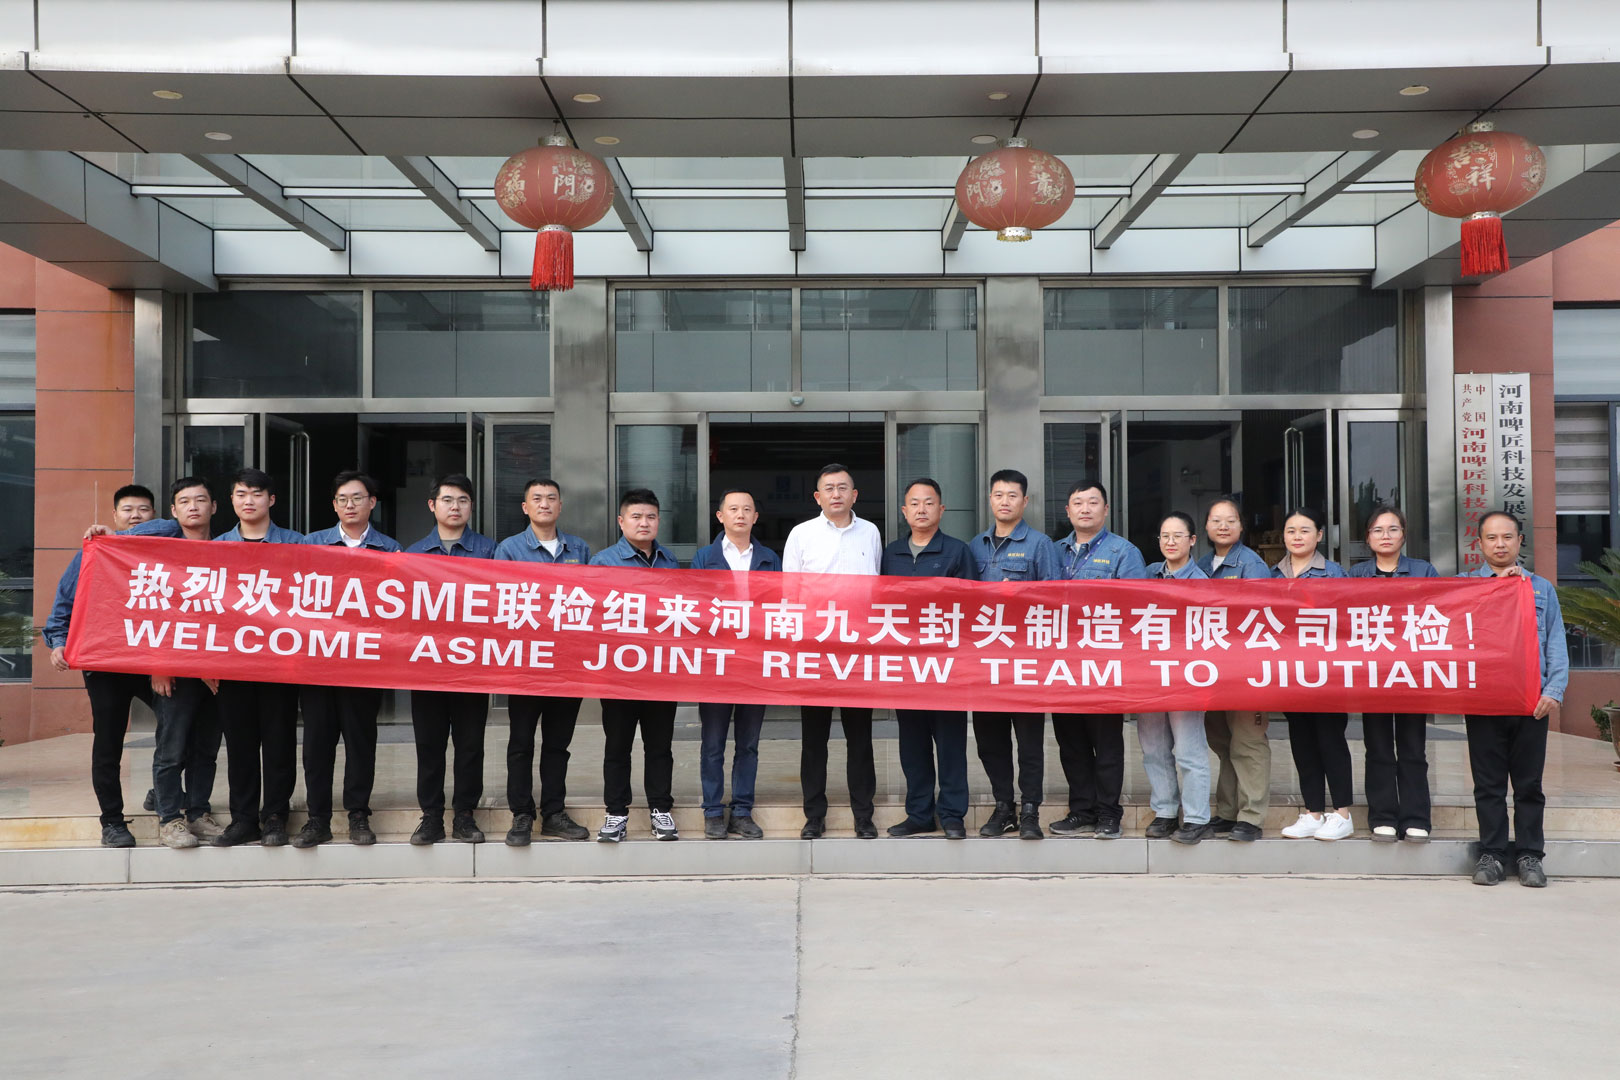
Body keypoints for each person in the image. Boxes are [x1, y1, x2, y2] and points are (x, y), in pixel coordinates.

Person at [113, 478, 227, 849]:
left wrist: (218, 664)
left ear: (213, 507)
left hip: (217, 671)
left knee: (206, 748)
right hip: (174, 670)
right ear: (173, 511)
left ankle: (198, 812)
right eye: (184, 501)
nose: (194, 507)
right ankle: (170, 819)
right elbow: (151, 612)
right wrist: (158, 663)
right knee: (171, 748)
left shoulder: (228, 552)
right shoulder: (162, 552)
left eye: (201, 500)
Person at [44, 484, 158, 847]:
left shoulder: (164, 547)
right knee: (108, 744)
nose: (135, 516)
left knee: (184, 724)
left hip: (151, 663)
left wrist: (122, 537)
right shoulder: (92, 551)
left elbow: (173, 526)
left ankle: (163, 789)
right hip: (105, 664)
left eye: (143, 510)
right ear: (114, 514)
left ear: (155, 515)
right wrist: (58, 642)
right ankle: (112, 822)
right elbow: (64, 602)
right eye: (127, 510)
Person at [295, 470, 402, 848]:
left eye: (357, 498)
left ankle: (358, 814)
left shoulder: (390, 549)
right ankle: (317, 819)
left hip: (364, 664)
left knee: (360, 742)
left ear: (372, 503)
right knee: (316, 745)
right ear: (334, 505)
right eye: (342, 499)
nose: (350, 505)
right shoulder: (311, 544)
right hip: (319, 662)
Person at [1464, 509, 1568, 889]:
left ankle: (1529, 856)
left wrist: (1553, 691)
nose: (1500, 544)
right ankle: (1492, 855)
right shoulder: (1463, 587)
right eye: (1491, 538)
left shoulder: (1541, 589)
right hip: (1484, 701)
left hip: (1530, 703)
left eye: (1507, 537)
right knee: (1488, 785)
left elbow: (1556, 642)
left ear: (1519, 541)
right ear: (1479, 544)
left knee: (1528, 785)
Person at [782, 463, 883, 840]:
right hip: (815, 651)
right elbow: (789, 595)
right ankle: (814, 815)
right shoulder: (801, 534)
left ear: (854, 495)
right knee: (814, 740)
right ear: (817, 497)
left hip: (858, 652)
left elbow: (876, 589)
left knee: (861, 738)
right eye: (829, 488)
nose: (836, 494)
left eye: (843, 487)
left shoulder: (870, 532)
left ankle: (863, 815)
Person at [494, 478, 593, 845]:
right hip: (524, 663)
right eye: (536, 498)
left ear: (560, 506)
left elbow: (591, 601)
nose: (545, 504)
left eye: (551, 498)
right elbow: (499, 602)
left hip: (567, 663)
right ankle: (521, 814)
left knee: (557, 744)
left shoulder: (579, 548)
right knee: (521, 742)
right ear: (525, 507)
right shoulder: (509, 549)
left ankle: (553, 812)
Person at [881, 478, 978, 839]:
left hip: (947, 666)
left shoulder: (957, 551)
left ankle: (952, 815)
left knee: (950, 744)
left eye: (929, 502)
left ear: (941, 509)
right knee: (913, 745)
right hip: (906, 667)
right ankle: (919, 814)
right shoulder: (890, 554)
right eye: (914, 503)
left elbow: (972, 609)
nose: (921, 509)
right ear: (904, 511)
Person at [969, 468, 1061, 841]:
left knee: (1029, 743)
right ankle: (1003, 806)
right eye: (998, 495)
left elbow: (1056, 600)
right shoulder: (974, 546)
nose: (1004, 501)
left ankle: (1030, 809)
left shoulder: (1040, 545)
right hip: (985, 662)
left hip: (1026, 661)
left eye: (1012, 495)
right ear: (989, 500)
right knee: (990, 741)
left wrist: (1021, 596)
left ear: (1025, 501)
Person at [405, 472, 497, 845]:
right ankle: (431, 817)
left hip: (472, 666)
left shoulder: (490, 552)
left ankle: (464, 815)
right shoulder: (412, 555)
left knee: (470, 745)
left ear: (471, 506)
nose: (454, 507)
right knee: (429, 745)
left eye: (462, 500)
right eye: (447, 500)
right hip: (427, 666)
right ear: (432, 505)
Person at [1051, 480, 1145, 840]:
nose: (1085, 509)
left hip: (1105, 664)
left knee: (1106, 744)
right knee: (1071, 743)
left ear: (1105, 510)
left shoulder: (1124, 552)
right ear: (1068, 511)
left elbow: (1137, 609)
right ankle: (1081, 810)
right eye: (1078, 503)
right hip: (1061, 664)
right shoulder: (1053, 551)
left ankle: (1108, 813)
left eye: (1093, 502)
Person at [589, 488, 683, 843]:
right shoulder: (603, 562)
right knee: (618, 746)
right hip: (618, 673)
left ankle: (660, 809)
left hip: (660, 671)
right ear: (621, 521)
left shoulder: (670, 562)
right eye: (637, 517)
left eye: (651, 517)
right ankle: (616, 813)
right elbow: (595, 616)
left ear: (659, 521)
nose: (644, 523)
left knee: (660, 746)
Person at [691, 489, 781, 840]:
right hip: (716, 664)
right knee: (713, 743)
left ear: (756, 517)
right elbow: (696, 609)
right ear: (720, 516)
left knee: (748, 744)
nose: (740, 514)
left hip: (754, 664)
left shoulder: (769, 559)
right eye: (733, 509)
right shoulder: (705, 557)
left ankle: (742, 811)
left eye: (747, 509)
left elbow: (779, 609)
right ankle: (713, 811)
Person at [1348, 505, 1438, 843]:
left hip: (1413, 673)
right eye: (1378, 530)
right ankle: (1383, 816)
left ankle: (1416, 817)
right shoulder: (1356, 575)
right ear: (1368, 538)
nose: (1385, 536)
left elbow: (1441, 611)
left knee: (1413, 748)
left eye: (1393, 529)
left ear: (1404, 534)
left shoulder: (1424, 570)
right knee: (1378, 748)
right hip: (1373, 674)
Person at [1272, 507, 1354, 842]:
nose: (1297, 537)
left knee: (1330, 740)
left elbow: (1347, 620)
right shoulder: (1272, 575)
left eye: (1305, 530)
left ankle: (1343, 813)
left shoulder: (1334, 573)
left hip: (1327, 672)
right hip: (1290, 672)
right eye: (1291, 530)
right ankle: (1313, 812)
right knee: (1302, 741)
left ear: (1319, 535)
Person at [1195, 496, 1273, 842]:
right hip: (1212, 670)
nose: (1223, 526)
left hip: (1245, 669)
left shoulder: (1252, 564)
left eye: (1230, 520)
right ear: (1206, 526)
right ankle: (1227, 812)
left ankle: (1251, 816)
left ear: (1241, 526)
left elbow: (1259, 616)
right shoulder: (1202, 564)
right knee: (1223, 742)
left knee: (1248, 742)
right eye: (1216, 520)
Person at [1137, 512, 1213, 845]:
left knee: (1188, 749)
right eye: (1164, 536)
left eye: (1177, 536)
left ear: (1192, 541)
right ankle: (1166, 811)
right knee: (1153, 748)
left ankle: (1196, 817)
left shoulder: (1203, 583)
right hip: (1151, 675)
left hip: (1186, 677)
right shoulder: (1147, 575)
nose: (1170, 542)